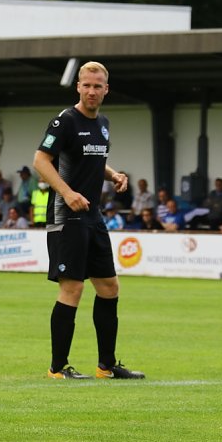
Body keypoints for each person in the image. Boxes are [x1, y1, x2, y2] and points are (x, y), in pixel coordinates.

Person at [32, 60, 145, 380]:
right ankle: (57, 368)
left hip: (93, 216)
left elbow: (92, 159)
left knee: (109, 286)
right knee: (73, 288)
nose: (92, 91)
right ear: (78, 87)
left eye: (98, 86)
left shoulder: (103, 124)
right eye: (87, 85)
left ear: (106, 89)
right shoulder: (65, 121)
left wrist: (113, 174)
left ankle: (106, 366)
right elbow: (40, 160)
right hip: (66, 215)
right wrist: (67, 193)